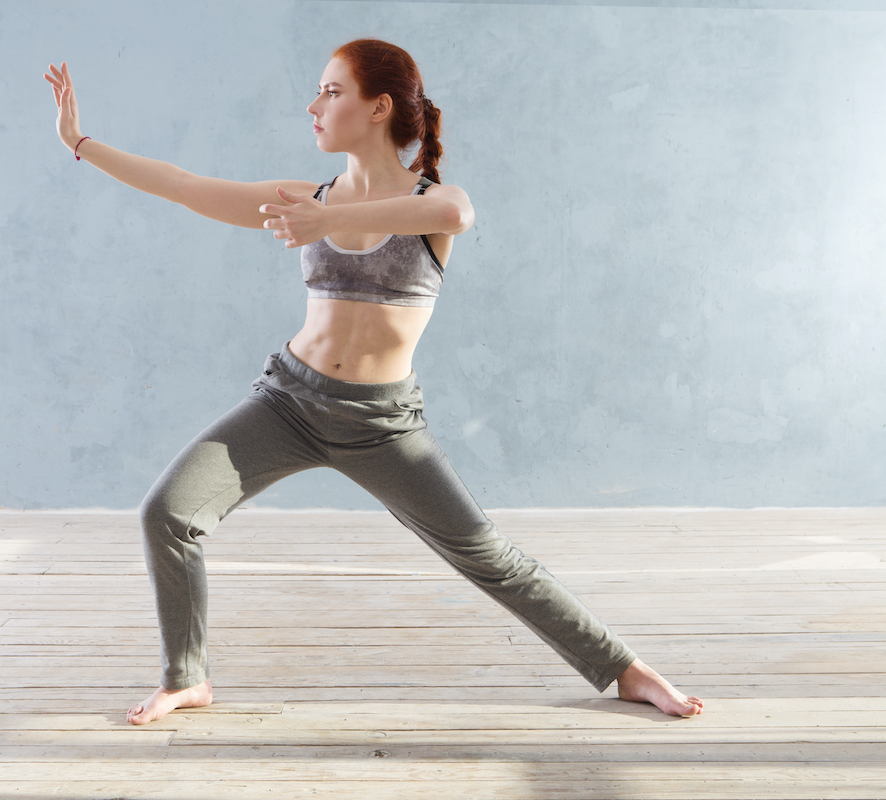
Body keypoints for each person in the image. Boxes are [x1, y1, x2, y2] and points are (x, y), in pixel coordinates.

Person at [43, 39, 704, 726]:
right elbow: (183, 185)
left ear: (378, 106)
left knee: (490, 558)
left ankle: (624, 669)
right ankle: (188, 677)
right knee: (167, 515)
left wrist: (328, 220)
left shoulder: (429, 201)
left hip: (383, 424)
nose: (313, 105)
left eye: (331, 92)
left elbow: (454, 217)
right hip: (288, 402)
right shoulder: (306, 199)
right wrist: (79, 141)